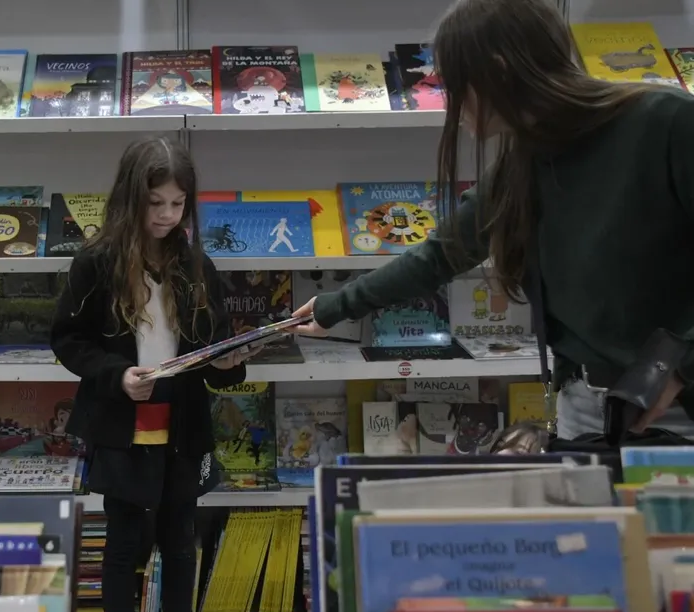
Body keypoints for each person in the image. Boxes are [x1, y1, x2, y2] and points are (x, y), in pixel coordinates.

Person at [293, 0, 694, 441]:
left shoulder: (667, 123)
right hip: (584, 408)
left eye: (453, 83)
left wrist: (682, 367)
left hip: (677, 409)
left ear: (499, 73)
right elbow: (441, 255)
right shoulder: (523, 162)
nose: (449, 101)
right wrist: (335, 307)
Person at [50, 136, 257, 612]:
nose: (167, 215)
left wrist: (228, 363)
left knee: (181, 542)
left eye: (178, 204)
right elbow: (69, 339)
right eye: (155, 203)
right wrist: (119, 375)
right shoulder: (96, 262)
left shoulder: (195, 264)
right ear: (130, 199)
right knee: (124, 543)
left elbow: (215, 342)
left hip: (183, 428)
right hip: (124, 428)